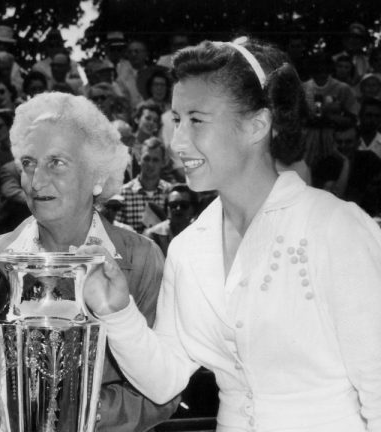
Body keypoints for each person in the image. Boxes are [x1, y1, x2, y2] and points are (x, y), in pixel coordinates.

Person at [82, 38, 381, 431]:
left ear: (257, 125)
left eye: (196, 120)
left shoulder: (336, 228)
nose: (178, 142)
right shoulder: (188, 248)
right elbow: (164, 381)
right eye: (176, 120)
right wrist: (117, 312)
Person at [0, 92, 179, 431]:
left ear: (97, 177)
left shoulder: (142, 258)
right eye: (28, 163)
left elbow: (164, 391)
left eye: (56, 162)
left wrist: (76, 410)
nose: (36, 181)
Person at [113, 137, 172, 233]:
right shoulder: (123, 193)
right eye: (147, 159)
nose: (150, 164)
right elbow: (115, 229)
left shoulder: (169, 192)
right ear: (139, 159)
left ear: (162, 162)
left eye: (155, 160)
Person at [143, 184, 199, 256]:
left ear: (193, 208)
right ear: (167, 208)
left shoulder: (200, 234)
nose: (178, 209)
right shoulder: (152, 235)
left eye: (184, 205)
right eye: (173, 205)